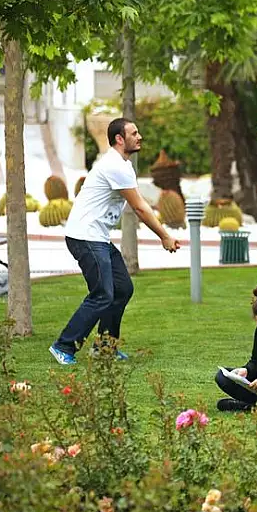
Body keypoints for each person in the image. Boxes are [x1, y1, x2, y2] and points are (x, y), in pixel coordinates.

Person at [49, 118, 181, 365]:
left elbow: (140, 203)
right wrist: (164, 236)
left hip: (96, 236)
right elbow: (140, 208)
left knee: (122, 289)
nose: (139, 136)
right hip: (85, 236)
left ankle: (105, 348)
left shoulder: (123, 164)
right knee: (102, 294)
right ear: (119, 139)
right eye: (134, 133)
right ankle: (63, 346)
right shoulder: (115, 165)